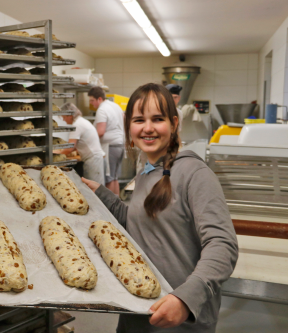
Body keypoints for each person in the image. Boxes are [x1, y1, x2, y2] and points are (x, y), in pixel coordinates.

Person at [82, 83, 238, 332]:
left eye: (157, 119)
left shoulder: (195, 174)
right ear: (128, 126)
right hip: (137, 309)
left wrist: (185, 298)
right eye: (139, 120)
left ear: (174, 124)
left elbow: (222, 246)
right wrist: (99, 193)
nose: (147, 128)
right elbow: (138, 222)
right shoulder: (148, 171)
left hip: (178, 317)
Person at [54, 102, 105, 185]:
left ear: (69, 115)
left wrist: (55, 154)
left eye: (63, 117)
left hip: (93, 160)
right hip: (95, 158)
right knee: (94, 187)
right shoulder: (81, 121)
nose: (63, 120)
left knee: (94, 189)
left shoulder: (77, 125)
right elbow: (73, 147)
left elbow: (70, 148)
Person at [88, 86, 125, 195]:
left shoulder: (102, 109)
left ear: (99, 99)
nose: (91, 103)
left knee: (109, 178)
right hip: (120, 145)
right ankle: (117, 205)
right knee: (114, 177)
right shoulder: (115, 106)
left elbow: (100, 132)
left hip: (110, 147)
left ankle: (110, 207)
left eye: (92, 100)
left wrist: (89, 140)